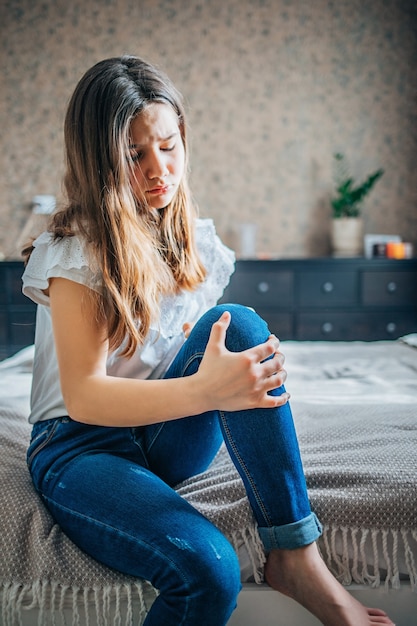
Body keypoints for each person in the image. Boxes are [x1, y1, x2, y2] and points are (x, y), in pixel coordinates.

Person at [22, 55, 394, 626]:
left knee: (241, 325)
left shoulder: (191, 240)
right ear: (99, 159)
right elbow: (86, 399)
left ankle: (295, 554)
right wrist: (211, 391)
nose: (158, 170)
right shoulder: (76, 249)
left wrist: (237, 378)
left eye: (168, 146)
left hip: (158, 435)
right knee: (209, 571)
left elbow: (211, 355)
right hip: (80, 447)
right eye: (134, 155)